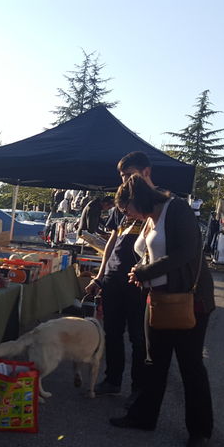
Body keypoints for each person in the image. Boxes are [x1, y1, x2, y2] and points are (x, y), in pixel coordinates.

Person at [109, 173, 216, 447]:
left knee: (190, 365)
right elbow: (149, 253)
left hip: (188, 300)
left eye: (125, 208)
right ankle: (143, 417)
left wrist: (146, 271)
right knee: (152, 362)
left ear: (137, 199)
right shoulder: (147, 219)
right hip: (156, 298)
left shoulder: (177, 209)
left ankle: (200, 430)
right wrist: (141, 272)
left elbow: (187, 252)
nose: (126, 214)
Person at [83, 152, 152, 399]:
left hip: (139, 282)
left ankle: (138, 389)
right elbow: (112, 240)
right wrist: (100, 277)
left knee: (138, 338)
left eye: (128, 175)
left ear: (145, 172)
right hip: (112, 279)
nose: (124, 180)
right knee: (111, 333)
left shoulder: (156, 202)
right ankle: (112, 380)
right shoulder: (120, 204)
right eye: (122, 176)